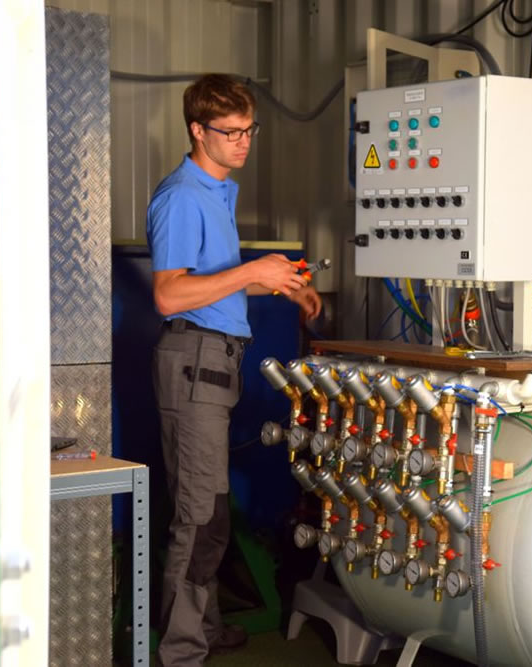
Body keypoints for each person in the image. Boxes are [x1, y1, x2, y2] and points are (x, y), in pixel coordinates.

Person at [146, 74, 321, 666]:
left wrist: (282, 285)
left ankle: (205, 626)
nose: (244, 141)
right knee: (199, 519)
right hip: (194, 363)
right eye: (231, 132)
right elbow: (169, 295)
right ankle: (181, 652)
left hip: (216, 362)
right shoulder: (182, 197)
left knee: (211, 510)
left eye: (249, 130)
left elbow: (212, 283)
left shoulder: (218, 190)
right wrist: (251, 272)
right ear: (198, 130)